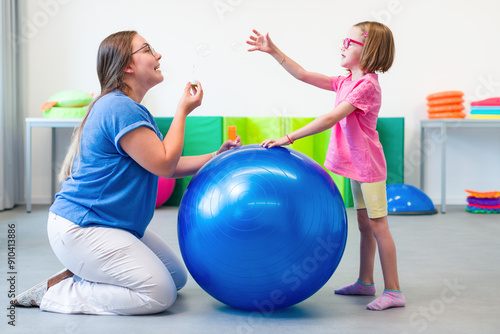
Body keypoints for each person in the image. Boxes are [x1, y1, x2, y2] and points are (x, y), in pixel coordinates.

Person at [14, 30, 241, 315]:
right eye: (148, 49)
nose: (158, 55)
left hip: (111, 226)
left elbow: (164, 165)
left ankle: (87, 270)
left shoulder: (128, 108)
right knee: (159, 294)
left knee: (175, 277)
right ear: (127, 66)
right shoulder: (119, 108)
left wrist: (215, 156)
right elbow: (164, 164)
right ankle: (56, 293)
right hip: (83, 228)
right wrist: (182, 111)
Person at [246, 21, 405, 311]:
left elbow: (331, 118)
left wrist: (289, 137)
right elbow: (304, 75)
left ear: (368, 49)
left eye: (350, 42)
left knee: (379, 226)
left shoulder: (367, 86)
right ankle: (366, 282)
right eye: (343, 41)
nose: (342, 46)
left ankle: (394, 291)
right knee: (364, 224)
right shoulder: (345, 81)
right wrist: (273, 51)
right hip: (356, 166)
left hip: (368, 168)